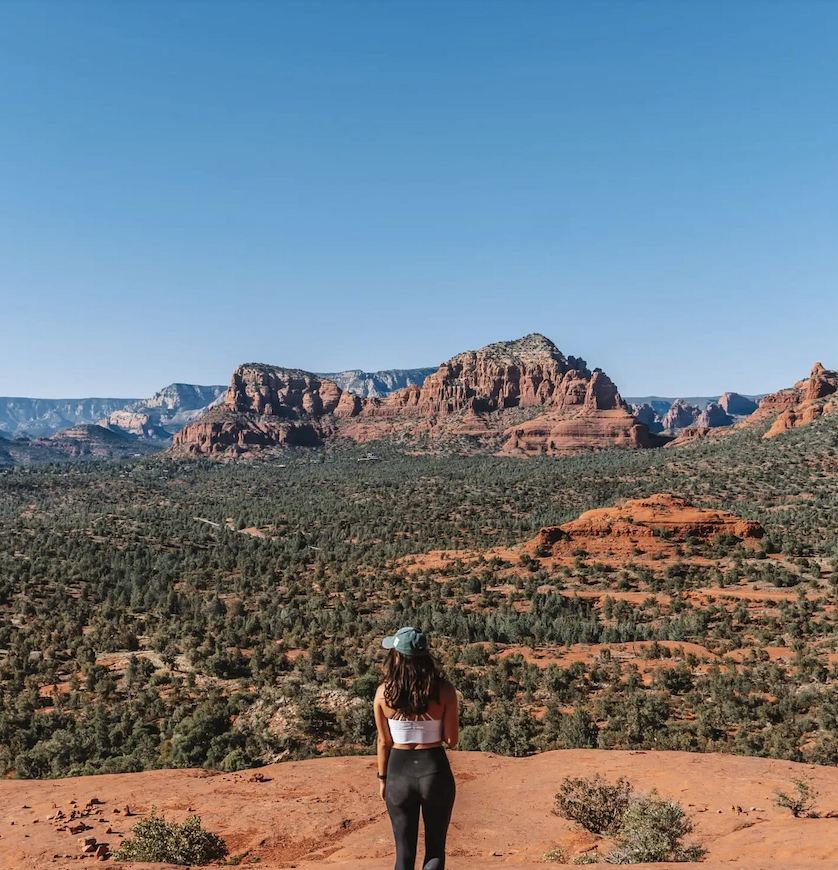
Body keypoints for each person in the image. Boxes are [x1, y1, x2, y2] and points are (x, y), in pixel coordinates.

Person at [374, 626, 459, 870]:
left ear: (397, 656)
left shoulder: (384, 693)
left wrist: (383, 780)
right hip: (434, 770)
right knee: (435, 849)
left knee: (404, 853)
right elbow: (452, 740)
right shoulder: (445, 690)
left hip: (398, 773)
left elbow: (383, 742)